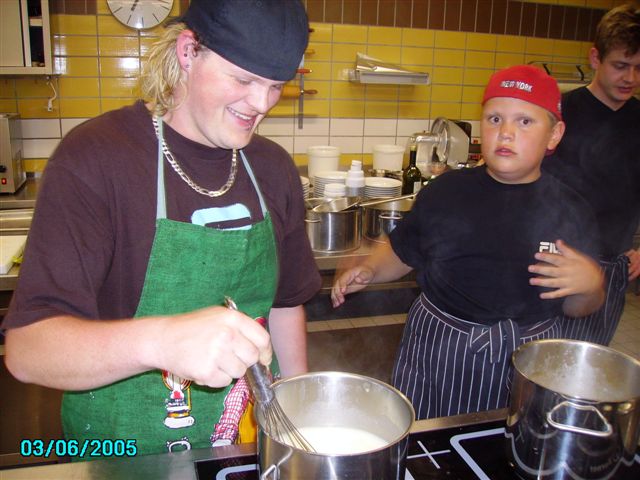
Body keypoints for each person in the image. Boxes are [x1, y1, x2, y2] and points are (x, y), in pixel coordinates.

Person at [1, 0, 321, 456]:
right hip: (120, 457)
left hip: (247, 451)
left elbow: (285, 305)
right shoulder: (95, 158)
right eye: (244, 80)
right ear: (188, 51)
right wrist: (162, 341)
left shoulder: (273, 168)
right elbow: (29, 350)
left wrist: (296, 416)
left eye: (276, 85)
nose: (262, 104)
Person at [332, 65, 605, 420]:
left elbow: (580, 306)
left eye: (524, 122)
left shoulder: (571, 211)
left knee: (508, 442)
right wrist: (370, 268)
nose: (506, 132)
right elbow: (402, 251)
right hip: (437, 348)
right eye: (495, 119)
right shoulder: (446, 192)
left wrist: (590, 285)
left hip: (528, 358)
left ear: (554, 135)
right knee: (424, 439)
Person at [543, 2, 640, 346]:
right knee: (537, 354)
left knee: (586, 358)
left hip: (611, 267)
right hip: (552, 257)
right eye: (621, 66)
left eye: (639, 68)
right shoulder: (559, 113)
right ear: (596, 58)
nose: (630, 78)